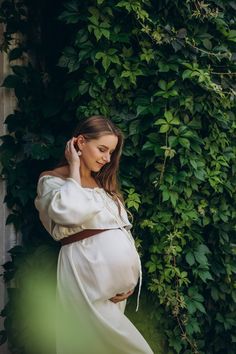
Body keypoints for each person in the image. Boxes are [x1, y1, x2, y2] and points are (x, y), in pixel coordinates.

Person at [34, 115, 154, 354]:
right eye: (102, 149)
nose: (107, 158)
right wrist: (75, 168)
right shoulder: (53, 181)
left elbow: (119, 231)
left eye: (111, 152)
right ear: (79, 142)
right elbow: (69, 212)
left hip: (112, 293)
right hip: (84, 280)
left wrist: (128, 280)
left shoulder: (102, 185)